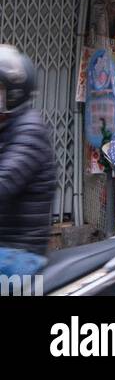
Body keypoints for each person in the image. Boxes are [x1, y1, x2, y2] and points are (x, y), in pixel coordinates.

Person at [0, 45, 56, 279]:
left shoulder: (28, 131)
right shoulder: (6, 126)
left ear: (13, 93)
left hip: (19, 254)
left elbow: (5, 182)